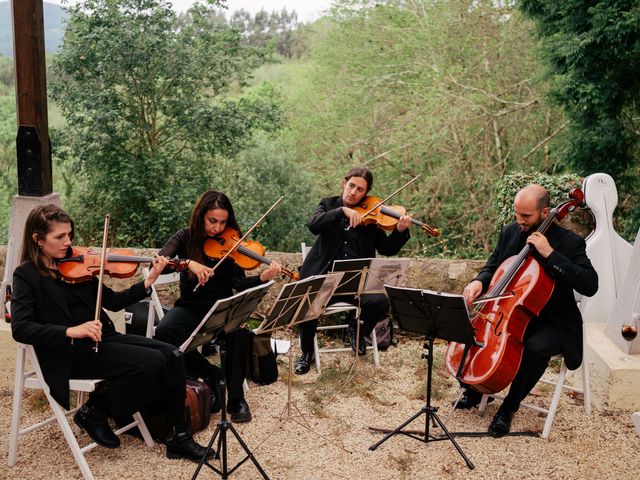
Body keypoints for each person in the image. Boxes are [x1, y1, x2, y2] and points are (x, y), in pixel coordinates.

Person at [10, 204, 211, 461]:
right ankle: (95, 410)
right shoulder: (26, 275)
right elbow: (21, 327)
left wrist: (148, 282)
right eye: (59, 237)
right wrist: (72, 330)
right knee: (151, 363)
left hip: (104, 340)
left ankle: (179, 439)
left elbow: (113, 301)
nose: (67, 242)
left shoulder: (77, 263)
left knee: (173, 355)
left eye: (69, 234)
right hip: (70, 352)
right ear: (38, 239)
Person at [456, 184, 598, 437]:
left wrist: (550, 254)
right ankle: (477, 388)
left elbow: (590, 284)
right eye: (516, 214)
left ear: (545, 212)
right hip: (512, 312)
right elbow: (492, 266)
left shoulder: (570, 242)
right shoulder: (510, 232)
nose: (519, 221)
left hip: (553, 320)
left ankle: (509, 407)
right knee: (472, 330)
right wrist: (478, 281)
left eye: (526, 216)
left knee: (534, 347)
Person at [154, 190, 281, 423]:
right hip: (191, 307)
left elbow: (239, 283)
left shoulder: (232, 242)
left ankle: (236, 399)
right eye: (213, 221)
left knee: (239, 334)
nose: (217, 228)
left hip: (223, 307)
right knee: (164, 333)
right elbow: (159, 263)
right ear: (201, 215)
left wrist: (262, 278)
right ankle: (210, 374)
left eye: (223, 222)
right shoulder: (184, 237)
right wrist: (188, 263)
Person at [295, 166, 412, 374]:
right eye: (351, 186)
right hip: (325, 278)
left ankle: (357, 330)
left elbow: (387, 249)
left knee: (380, 301)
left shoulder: (370, 216)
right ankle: (306, 352)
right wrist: (342, 211)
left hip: (356, 284)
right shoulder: (328, 204)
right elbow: (313, 224)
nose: (353, 193)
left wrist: (400, 231)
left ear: (365, 193)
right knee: (309, 301)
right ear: (344, 183)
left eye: (360, 190)